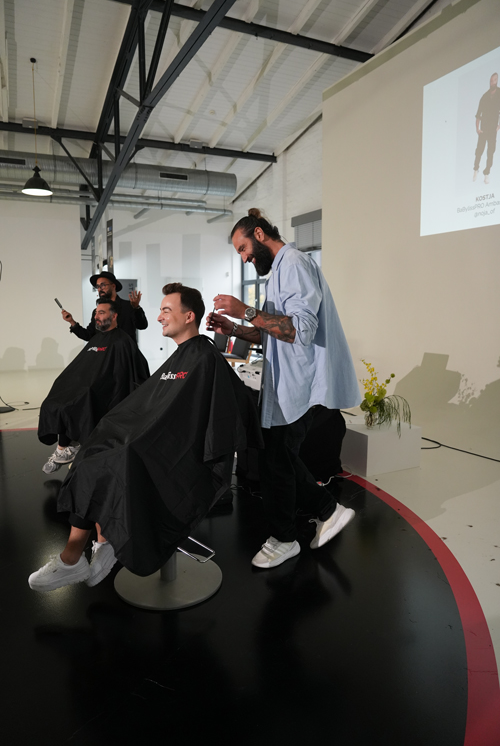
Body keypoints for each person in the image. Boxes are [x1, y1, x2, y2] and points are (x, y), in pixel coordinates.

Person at [29, 284, 261, 592]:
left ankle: (83, 554)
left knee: (112, 459)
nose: (159, 317)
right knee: (93, 450)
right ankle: (89, 551)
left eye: (166, 310)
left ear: (189, 316)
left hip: (174, 453)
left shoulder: (204, 358)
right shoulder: (182, 357)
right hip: (153, 441)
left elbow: (221, 414)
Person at [208, 209, 361, 569]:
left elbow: (300, 330)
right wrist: (233, 329)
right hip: (288, 385)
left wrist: (246, 311)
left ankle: (285, 537)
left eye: (243, 248)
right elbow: (271, 332)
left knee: (276, 459)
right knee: (279, 457)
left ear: (259, 235)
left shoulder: (293, 263)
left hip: (304, 386)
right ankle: (327, 511)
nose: (244, 258)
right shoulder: (278, 271)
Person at [39, 299, 150, 473]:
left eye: (101, 313)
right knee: (56, 399)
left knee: (79, 399)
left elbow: (122, 375)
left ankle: (68, 448)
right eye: (96, 313)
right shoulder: (97, 338)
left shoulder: (122, 341)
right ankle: (65, 448)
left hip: (105, 390)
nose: (96, 316)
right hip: (86, 385)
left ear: (114, 316)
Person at [62, 271, 148, 343]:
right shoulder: (96, 312)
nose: (100, 289)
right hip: (105, 354)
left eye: (103, 285)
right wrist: (71, 321)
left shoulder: (129, 306)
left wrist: (136, 308)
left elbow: (142, 325)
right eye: (98, 286)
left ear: (113, 286)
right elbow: (88, 335)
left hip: (125, 354)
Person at [473, 72, 500, 184]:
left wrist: (499, 126)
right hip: (483, 129)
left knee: (491, 151)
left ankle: (487, 173)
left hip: (493, 129)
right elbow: (478, 114)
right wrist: (477, 129)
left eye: (494, 80)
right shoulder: (484, 97)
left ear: (497, 81)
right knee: (479, 150)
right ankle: (475, 169)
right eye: (491, 81)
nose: (492, 82)